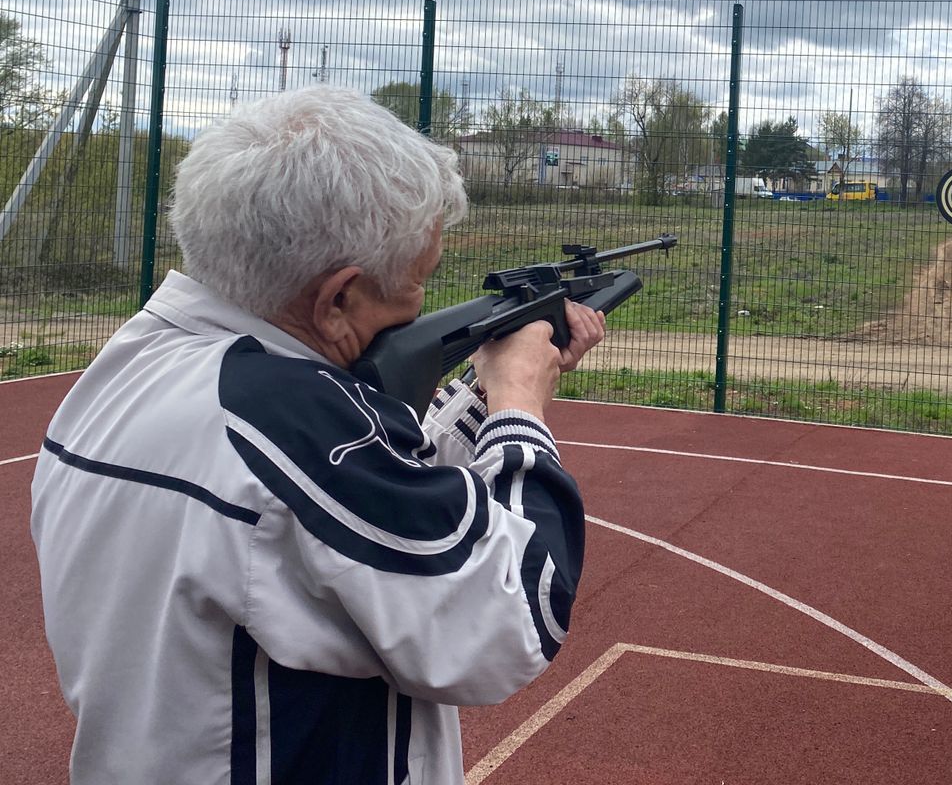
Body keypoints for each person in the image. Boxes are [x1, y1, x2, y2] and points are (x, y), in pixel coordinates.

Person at [31, 85, 604, 784]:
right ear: (336, 300)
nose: (423, 302)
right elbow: (514, 612)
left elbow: (380, 490)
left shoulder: (137, 363)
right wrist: (520, 401)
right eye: (419, 284)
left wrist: (478, 396)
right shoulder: (288, 422)